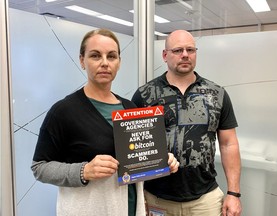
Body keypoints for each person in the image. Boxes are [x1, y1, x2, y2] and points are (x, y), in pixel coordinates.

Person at [31, 28, 179, 216]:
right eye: (95, 56)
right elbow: (40, 168)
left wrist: (163, 160)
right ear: (82, 61)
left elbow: (141, 160)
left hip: (130, 209)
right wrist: (83, 171)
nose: (104, 63)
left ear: (119, 63)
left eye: (111, 56)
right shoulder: (63, 111)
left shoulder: (130, 108)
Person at [132, 30, 242, 216]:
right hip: (156, 198)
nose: (185, 54)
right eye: (178, 50)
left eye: (190, 49)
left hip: (205, 200)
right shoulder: (145, 95)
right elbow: (134, 149)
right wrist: (138, 195)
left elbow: (228, 144)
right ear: (165, 55)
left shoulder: (216, 94)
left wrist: (233, 193)